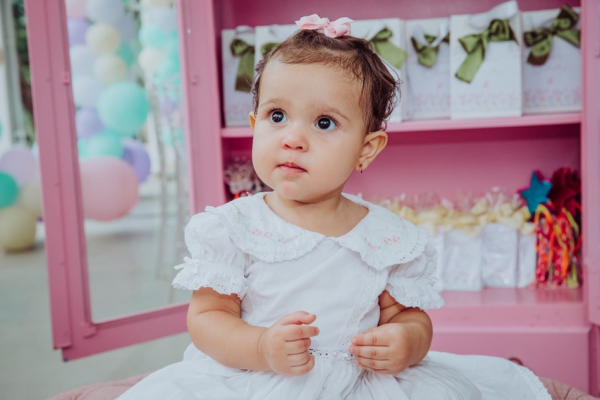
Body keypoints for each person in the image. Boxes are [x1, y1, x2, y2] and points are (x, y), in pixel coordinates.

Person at [118, 15, 550, 399]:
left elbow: (408, 317)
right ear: (253, 125)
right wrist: (261, 346)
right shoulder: (235, 228)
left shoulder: (385, 237)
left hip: (359, 382)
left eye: (324, 123)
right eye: (276, 116)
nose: (292, 138)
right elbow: (208, 317)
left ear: (366, 149)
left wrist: (406, 342)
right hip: (256, 377)